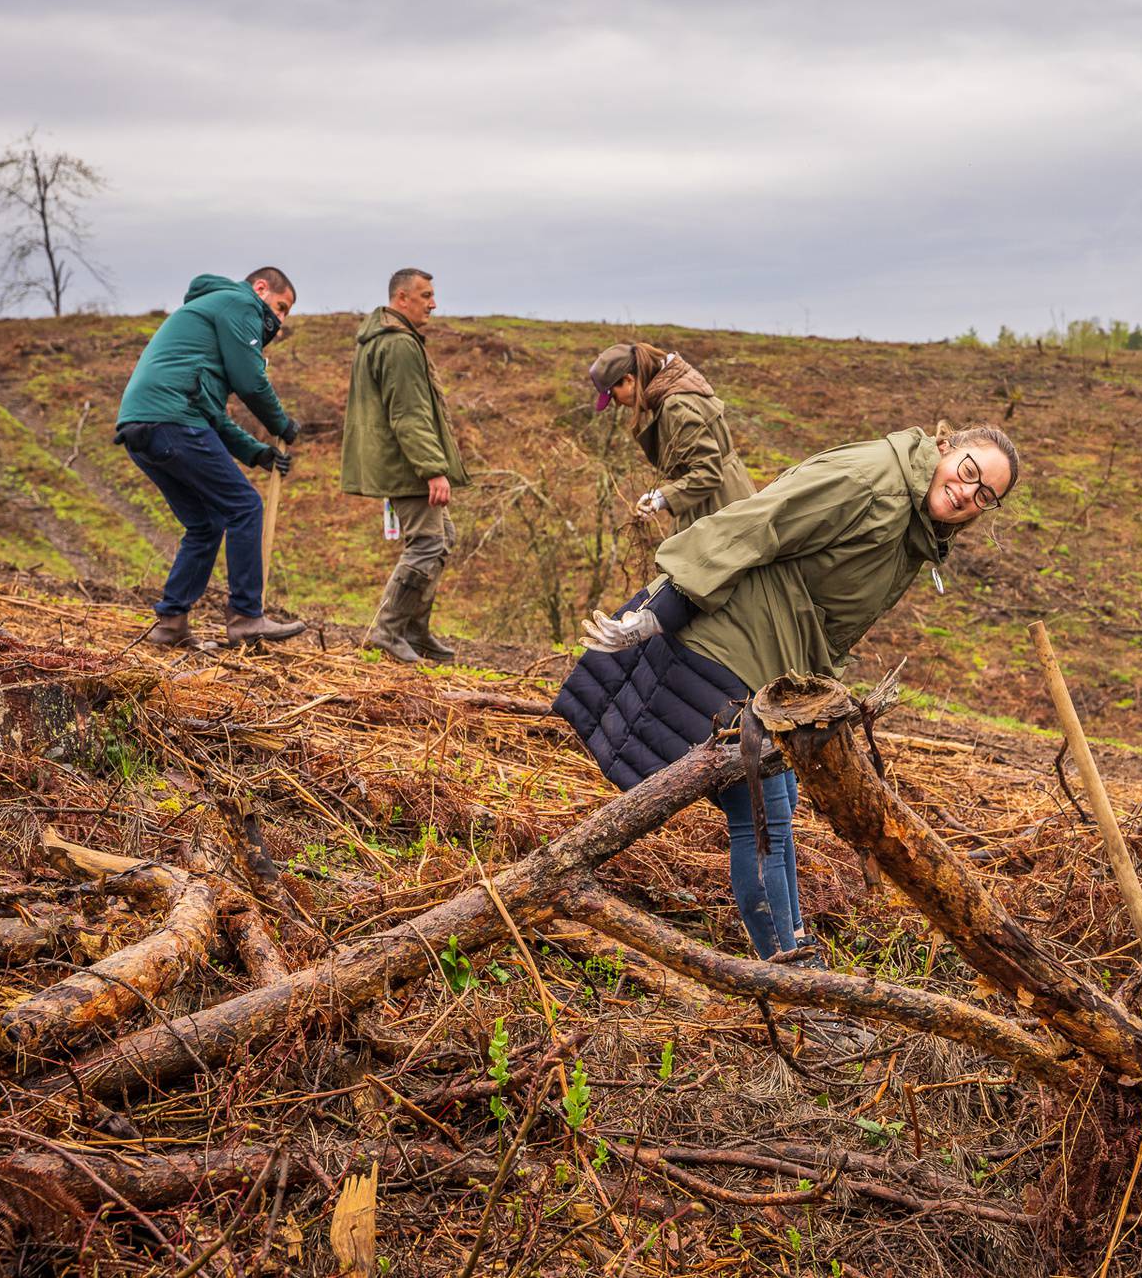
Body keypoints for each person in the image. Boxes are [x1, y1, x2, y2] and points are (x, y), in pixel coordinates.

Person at [553, 422, 1021, 968]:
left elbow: (826, 606)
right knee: (763, 819)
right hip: (726, 643)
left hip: (772, 661)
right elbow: (759, 520)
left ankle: (791, 960)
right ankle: (794, 976)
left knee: (777, 808)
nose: (968, 493)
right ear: (946, 447)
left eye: (985, 495)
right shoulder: (872, 482)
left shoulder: (913, 522)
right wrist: (659, 609)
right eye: (969, 472)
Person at [115, 267, 305, 646]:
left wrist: (258, 453)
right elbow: (250, 380)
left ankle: (171, 623)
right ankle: (247, 617)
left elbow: (211, 415)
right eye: (281, 308)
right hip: (172, 421)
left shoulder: (206, 325)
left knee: (205, 523)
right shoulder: (240, 302)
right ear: (261, 288)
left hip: (144, 426)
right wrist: (282, 423)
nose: (279, 322)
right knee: (244, 506)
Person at [342, 267, 471, 663]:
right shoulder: (398, 345)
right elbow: (409, 413)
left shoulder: (384, 339)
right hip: (406, 466)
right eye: (426, 295)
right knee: (429, 542)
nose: (433, 303)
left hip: (399, 461)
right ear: (402, 298)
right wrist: (433, 468)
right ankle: (388, 631)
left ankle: (413, 631)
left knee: (442, 537)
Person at [586, 342, 755, 530]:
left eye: (613, 395)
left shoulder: (675, 406)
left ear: (628, 380)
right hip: (728, 498)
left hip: (718, 510)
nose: (617, 403)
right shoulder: (682, 385)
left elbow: (708, 472)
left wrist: (661, 498)